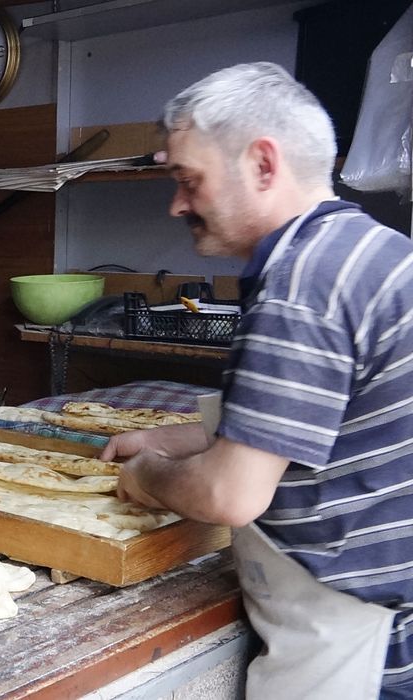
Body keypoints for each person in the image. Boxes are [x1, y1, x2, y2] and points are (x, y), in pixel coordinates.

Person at [101, 63, 413, 698]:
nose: (177, 203)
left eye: (190, 180)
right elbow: (339, 417)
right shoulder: (371, 249)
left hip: (357, 635)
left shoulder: (300, 285)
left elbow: (229, 497)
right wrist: (187, 437)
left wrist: (147, 478)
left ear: (263, 165)